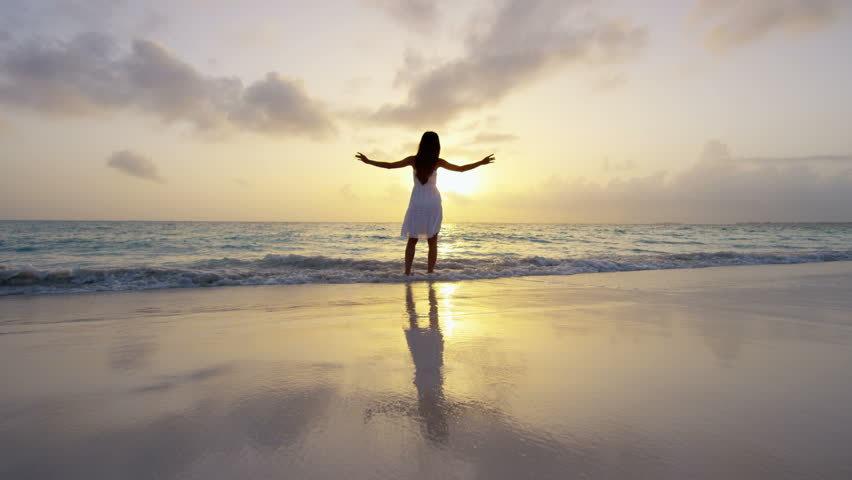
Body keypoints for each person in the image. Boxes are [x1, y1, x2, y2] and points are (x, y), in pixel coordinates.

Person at [356, 131, 494, 275]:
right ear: (436, 146)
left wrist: (368, 161)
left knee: (412, 239)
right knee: (432, 240)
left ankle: (407, 273)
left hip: (417, 202)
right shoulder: (438, 162)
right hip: (433, 203)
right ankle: (430, 273)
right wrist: (481, 162)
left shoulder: (413, 160)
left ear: (422, 144)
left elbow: (390, 165)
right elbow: (460, 169)